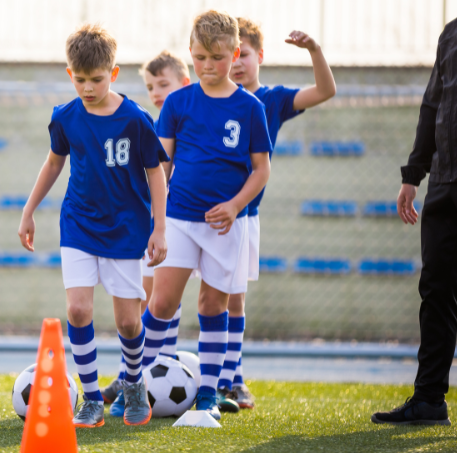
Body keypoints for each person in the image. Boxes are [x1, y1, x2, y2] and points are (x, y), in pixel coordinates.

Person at [18, 23, 170, 428]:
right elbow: (54, 163)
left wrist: (159, 228)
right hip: (79, 224)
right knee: (78, 308)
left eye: (97, 80)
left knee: (127, 321)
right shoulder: (65, 117)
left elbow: (156, 173)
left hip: (126, 228)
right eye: (80, 80)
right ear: (70, 75)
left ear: (113, 74)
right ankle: (90, 398)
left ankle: (134, 384)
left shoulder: (136, 119)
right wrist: (29, 209)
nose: (87, 88)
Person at [372, 0, 457, 426]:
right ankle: (429, 400)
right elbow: (433, 104)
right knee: (435, 290)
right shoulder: (452, 31)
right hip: (446, 181)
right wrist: (414, 172)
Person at [140, 10, 273, 421]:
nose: (207, 66)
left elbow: (262, 169)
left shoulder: (250, 107)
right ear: (191, 55)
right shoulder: (179, 101)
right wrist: (156, 219)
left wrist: (235, 206)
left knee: (212, 304)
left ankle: (208, 396)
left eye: (216, 57)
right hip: (179, 218)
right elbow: (162, 165)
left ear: (234, 54)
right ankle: (136, 385)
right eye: (199, 57)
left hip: (223, 225)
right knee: (161, 300)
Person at [216, 18, 336, 412]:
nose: (236, 63)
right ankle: (154, 370)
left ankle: (231, 378)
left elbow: (325, 90)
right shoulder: (208, 95)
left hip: (243, 216)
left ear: (259, 57)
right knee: (185, 297)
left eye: (244, 54)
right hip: (199, 213)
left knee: (234, 299)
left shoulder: (272, 100)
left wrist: (314, 50)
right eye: (230, 55)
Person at [100, 50, 191, 418]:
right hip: (148, 221)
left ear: (185, 84)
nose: (155, 92)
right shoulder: (148, 123)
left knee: (165, 298)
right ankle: (135, 372)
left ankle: (147, 368)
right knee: (147, 300)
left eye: (163, 84)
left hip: (181, 220)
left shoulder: (191, 120)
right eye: (150, 86)